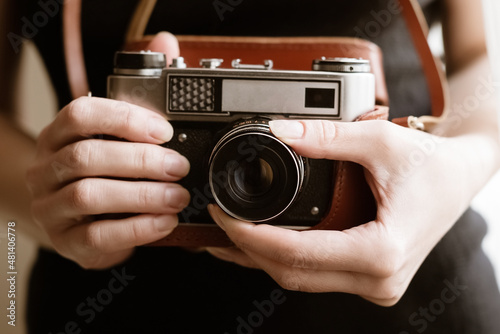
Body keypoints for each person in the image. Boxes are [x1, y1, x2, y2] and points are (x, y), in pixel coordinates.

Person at [1, 0, 500, 332]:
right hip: (113, 295)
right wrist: (56, 201)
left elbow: (476, 57)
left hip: (422, 281)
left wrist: (460, 165)